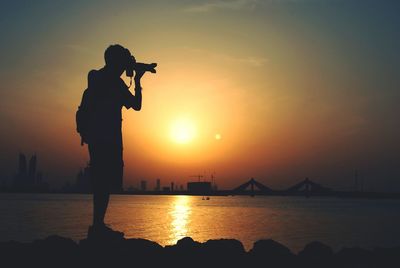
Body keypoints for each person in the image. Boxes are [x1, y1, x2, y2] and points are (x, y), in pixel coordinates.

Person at [80, 44, 147, 239]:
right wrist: (136, 76)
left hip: (103, 138)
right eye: (123, 61)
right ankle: (97, 226)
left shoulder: (105, 79)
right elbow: (136, 105)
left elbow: (135, 105)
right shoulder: (106, 80)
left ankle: (98, 225)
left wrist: (135, 76)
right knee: (102, 182)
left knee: (104, 182)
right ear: (114, 61)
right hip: (105, 139)